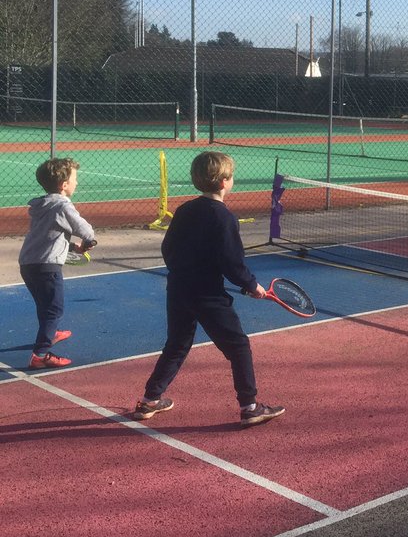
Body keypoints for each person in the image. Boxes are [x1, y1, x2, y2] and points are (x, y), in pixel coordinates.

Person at [133, 151, 284, 427]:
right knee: (238, 346)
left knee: (176, 344)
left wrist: (188, 272)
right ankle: (249, 406)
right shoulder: (224, 217)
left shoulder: (184, 210)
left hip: (178, 290)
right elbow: (232, 262)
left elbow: (169, 249)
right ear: (225, 181)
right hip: (207, 295)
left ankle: (149, 401)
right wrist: (251, 285)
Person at [19, 158, 97, 369]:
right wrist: (90, 240)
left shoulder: (42, 205)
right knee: (53, 309)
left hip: (28, 264)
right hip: (46, 266)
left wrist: (73, 248)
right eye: (75, 179)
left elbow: (49, 236)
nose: (77, 183)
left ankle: (50, 332)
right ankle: (40, 355)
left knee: (44, 305)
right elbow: (83, 228)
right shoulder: (63, 205)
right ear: (64, 185)